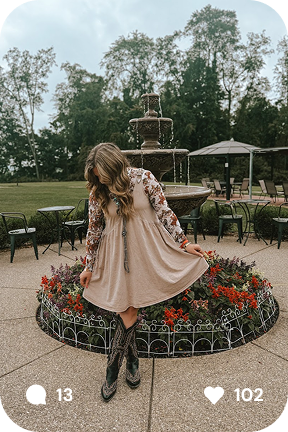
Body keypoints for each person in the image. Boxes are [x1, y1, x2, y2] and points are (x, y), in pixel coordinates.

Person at [80, 142, 208, 402]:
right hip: (114, 254)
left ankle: (112, 367)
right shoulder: (99, 192)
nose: (99, 179)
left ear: (114, 165)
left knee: (130, 308)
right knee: (124, 306)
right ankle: (132, 359)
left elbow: (164, 212)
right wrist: (88, 265)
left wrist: (183, 242)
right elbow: (94, 230)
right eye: (95, 175)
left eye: (102, 173)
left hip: (146, 251)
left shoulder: (144, 178)